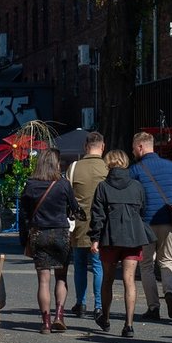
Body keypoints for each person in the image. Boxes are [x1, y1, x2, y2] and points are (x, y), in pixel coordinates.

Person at [20, 148, 84, 334]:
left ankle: (46, 322)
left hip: (39, 234)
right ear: (56, 163)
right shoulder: (63, 184)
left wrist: (24, 238)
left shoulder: (30, 185)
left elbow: (24, 215)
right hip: (60, 234)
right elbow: (75, 209)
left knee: (43, 281)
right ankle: (59, 316)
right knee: (61, 277)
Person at [90, 149, 151, 337]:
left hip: (109, 237)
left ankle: (106, 318)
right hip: (133, 236)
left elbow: (97, 215)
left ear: (108, 164)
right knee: (129, 280)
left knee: (107, 279)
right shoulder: (137, 186)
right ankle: (129, 324)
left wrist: (95, 238)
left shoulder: (103, 186)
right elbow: (143, 210)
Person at [129, 131, 172, 321]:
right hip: (169, 221)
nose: (133, 152)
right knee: (167, 260)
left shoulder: (135, 170)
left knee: (146, 265)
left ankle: (153, 306)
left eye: (133, 148)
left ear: (140, 147)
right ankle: (169, 291)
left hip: (145, 222)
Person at [67, 131, 107, 319]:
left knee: (80, 265)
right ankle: (99, 305)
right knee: (99, 265)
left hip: (79, 225)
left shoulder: (74, 167)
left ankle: (80, 303)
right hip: (102, 226)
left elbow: (67, 196)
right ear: (102, 146)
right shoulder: (107, 168)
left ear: (85, 147)